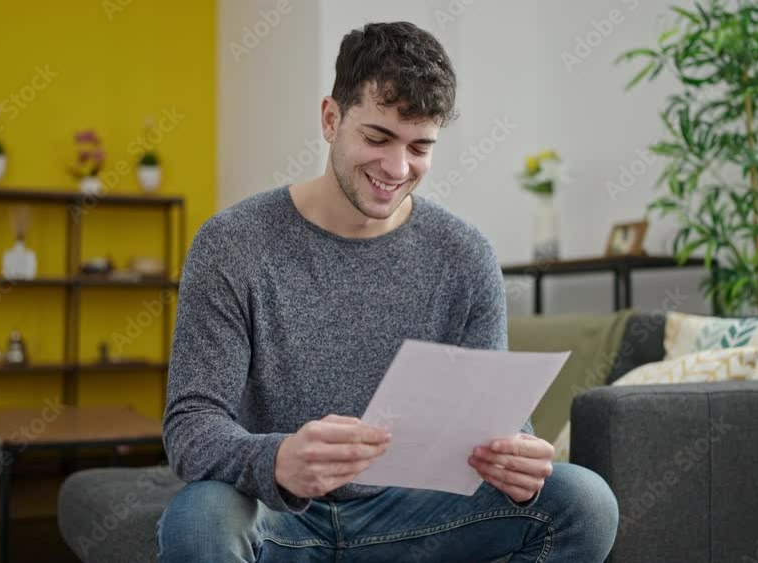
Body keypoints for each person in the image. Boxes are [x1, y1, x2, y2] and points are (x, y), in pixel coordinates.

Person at [156, 21, 618, 563]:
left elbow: (491, 418)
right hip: (278, 514)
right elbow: (190, 425)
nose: (397, 168)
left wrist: (516, 454)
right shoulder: (233, 244)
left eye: (420, 146)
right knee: (199, 516)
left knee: (584, 501)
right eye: (377, 138)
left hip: (414, 518)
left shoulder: (465, 256)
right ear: (331, 119)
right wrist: (277, 458)